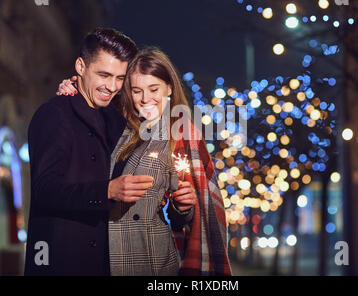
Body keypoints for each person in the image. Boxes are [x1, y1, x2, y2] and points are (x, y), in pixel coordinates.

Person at [58, 47, 232, 275]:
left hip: (148, 261)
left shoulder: (180, 135)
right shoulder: (116, 126)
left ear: (169, 87)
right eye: (136, 90)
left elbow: (191, 216)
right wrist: (74, 94)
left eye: (153, 89)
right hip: (99, 255)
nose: (145, 99)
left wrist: (183, 207)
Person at [24, 28, 156, 275]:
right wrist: (106, 190)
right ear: (80, 66)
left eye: (120, 78)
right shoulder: (54, 115)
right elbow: (44, 190)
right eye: (104, 75)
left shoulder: (116, 120)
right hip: (62, 263)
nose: (112, 86)